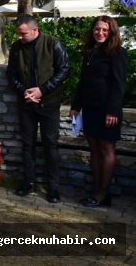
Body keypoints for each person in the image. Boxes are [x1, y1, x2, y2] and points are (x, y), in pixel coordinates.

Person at [7, 14, 70, 204]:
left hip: (48, 103)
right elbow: (11, 73)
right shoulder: (17, 48)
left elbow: (65, 69)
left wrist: (43, 90)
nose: (19, 37)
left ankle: (53, 188)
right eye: (18, 33)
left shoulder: (52, 43)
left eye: (23, 33)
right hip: (26, 103)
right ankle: (29, 182)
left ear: (35, 30)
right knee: (28, 144)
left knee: (50, 145)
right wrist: (23, 90)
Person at [70, 16, 127, 208]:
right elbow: (83, 82)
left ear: (111, 32)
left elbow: (119, 85)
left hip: (107, 110)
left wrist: (112, 111)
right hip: (91, 109)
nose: (100, 33)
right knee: (94, 149)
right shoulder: (90, 52)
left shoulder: (117, 53)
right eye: (97, 29)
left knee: (107, 150)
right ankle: (97, 191)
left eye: (104, 30)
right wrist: (75, 106)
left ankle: (103, 193)